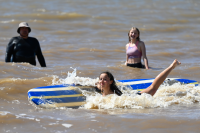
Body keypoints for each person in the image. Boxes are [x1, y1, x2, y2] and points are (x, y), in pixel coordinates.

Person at [98, 59, 181, 96]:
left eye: (105, 79)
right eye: (100, 79)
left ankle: (171, 66)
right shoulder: (102, 88)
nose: (102, 81)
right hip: (129, 95)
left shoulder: (113, 95)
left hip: (136, 97)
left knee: (153, 87)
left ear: (111, 82)